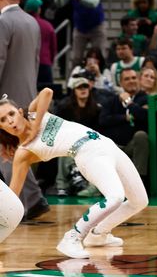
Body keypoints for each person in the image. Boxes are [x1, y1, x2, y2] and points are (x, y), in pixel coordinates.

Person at [0, 88, 148, 258]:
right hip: (87, 154)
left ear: (20, 112)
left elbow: (47, 92)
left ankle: (98, 235)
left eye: (11, 114)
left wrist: (35, 128)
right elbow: (12, 199)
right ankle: (71, 238)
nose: (10, 121)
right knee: (115, 197)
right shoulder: (23, 152)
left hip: (105, 144)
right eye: (3, 120)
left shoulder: (34, 113)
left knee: (139, 201)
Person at [0, 0, 48, 221]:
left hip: (5, 98)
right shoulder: (32, 22)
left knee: (7, 152)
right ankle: (32, 199)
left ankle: (21, 205)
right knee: (13, 152)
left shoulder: (3, 21)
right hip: (27, 94)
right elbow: (37, 61)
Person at [53, 0, 107, 67]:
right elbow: (61, 4)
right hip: (80, 27)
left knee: (99, 55)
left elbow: (93, 3)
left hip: (96, 26)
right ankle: (74, 79)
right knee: (76, 57)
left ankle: (101, 77)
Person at [24, 0, 56, 86]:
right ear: (38, 10)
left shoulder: (21, 25)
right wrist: (50, 61)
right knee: (46, 94)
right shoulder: (47, 26)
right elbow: (53, 47)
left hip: (25, 64)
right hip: (44, 63)